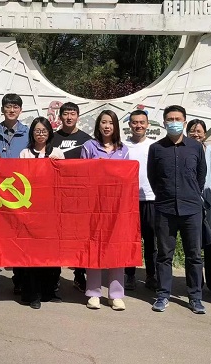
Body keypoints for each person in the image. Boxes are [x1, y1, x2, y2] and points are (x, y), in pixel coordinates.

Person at [147, 105, 207, 314]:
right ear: (164, 123)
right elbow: (153, 177)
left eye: (178, 119)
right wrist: (165, 195)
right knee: (164, 255)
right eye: (170, 119)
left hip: (191, 209)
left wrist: (191, 194)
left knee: (194, 255)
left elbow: (201, 176)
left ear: (184, 122)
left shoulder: (196, 147)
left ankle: (195, 297)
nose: (174, 122)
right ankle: (163, 295)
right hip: (165, 209)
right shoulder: (156, 148)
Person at [80, 109, 129, 311]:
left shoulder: (123, 149)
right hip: (94, 205)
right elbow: (82, 175)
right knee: (94, 247)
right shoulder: (89, 146)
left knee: (117, 247)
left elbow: (127, 177)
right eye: (103, 122)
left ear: (115, 126)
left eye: (111, 123)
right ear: (98, 125)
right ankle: (93, 293)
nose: (107, 126)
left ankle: (116, 294)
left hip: (117, 206)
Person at [19, 117, 65, 309]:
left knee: (51, 252)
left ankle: (49, 290)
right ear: (32, 133)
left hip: (51, 210)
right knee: (32, 253)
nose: (40, 134)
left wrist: (57, 166)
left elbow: (64, 179)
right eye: (37, 131)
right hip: (31, 209)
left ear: (49, 133)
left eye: (44, 131)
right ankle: (32, 293)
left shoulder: (58, 153)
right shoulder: (24, 153)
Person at [0, 93, 29, 290]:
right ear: (2, 109)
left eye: (15, 107)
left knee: (18, 235)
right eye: (8, 107)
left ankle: (19, 277)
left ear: (20, 110)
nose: (11, 110)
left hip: (20, 190)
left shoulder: (28, 133)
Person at [51, 102, 92, 292]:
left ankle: (79, 275)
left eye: (72, 114)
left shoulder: (87, 140)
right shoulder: (52, 137)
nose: (69, 117)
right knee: (56, 237)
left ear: (78, 116)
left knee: (79, 237)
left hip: (78, 196)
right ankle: (54, 276)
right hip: (56, 195)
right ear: (60, 117)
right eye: (65, 114)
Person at [186, 118, 211, 295]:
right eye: (192, 131)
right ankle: (196, 283)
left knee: (210, 243)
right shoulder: (183, 150)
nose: (195, 134)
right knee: (192, 245)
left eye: (199, 131)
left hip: (209, 203)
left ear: (205, 134)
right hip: (190, 203)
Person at [123, 109, 157, 292]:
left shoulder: (155, 146)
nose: (138, 125)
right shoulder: (122, 146)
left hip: (150, 198)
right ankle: (129, 275)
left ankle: (152, 275)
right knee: (130, 240)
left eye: (142, 122)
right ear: (129, 125)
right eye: (135, 122)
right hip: (129, 200)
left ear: (147, 124)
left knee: (151, 240)